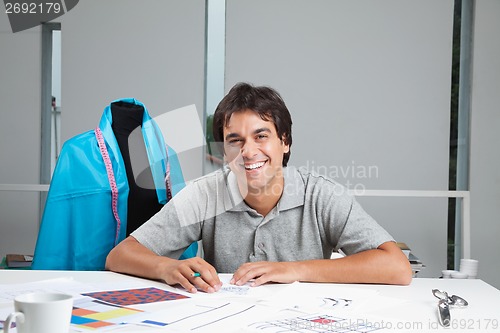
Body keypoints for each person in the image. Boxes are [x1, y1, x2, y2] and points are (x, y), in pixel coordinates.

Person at [106, 82, 412, 293]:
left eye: (261, 136)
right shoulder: (205, 194)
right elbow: (119, 256)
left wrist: (295, 270)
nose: (248, 151)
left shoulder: (322, 195)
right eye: (235, 140)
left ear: (285, 142)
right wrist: (166, 268)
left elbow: (397, 267)